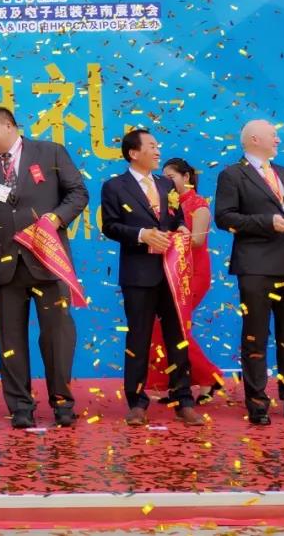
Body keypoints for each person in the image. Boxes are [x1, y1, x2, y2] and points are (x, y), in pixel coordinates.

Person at [0, 106, 88, 429]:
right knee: (9, 340)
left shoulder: (50, 152)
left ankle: (62, 403)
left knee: (57, 336)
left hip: (47, 260)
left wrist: (56, 218)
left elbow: (78, 193)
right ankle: (20, 406)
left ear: (10, 126)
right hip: (5, 266)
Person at [215, 119, 284, 426]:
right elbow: (224, 217)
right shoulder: (233, 174)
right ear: (254, 139)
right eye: (273, 135)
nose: (278, 140)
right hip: (256, 266)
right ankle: (258, 403)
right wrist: (266, 222)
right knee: (255, 337)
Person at [100, 129, 204, 427]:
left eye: (158, 146)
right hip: (138, 273)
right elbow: (110, 226)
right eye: (151, 146)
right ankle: (136, 402)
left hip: (171, 272)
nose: (158, 151)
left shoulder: (165, 184)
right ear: (134, 153)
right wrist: (142, 235)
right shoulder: (114, 186)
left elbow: (176, 217)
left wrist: (181, 227)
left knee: (177, 337)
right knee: (138, 338)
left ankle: (183, 400)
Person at [145, 157, 224, 403]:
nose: (167, 182)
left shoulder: (198, 204)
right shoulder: (167, 203)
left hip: (194, 274)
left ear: (186, 177)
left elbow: (198, 240)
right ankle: (180, 385)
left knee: (176, 328)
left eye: (172, 177)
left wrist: (169, 236)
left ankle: (209, 377)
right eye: (164, 178)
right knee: (164, 328)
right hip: (172, 274)